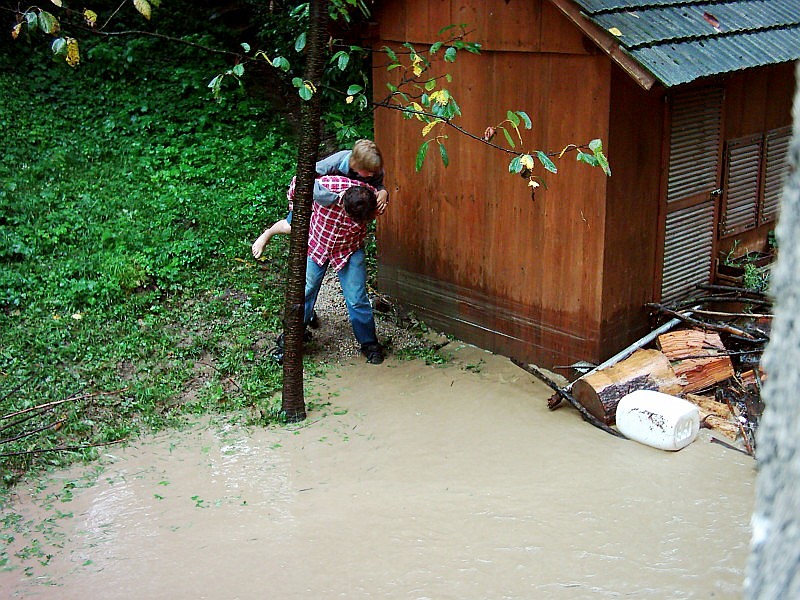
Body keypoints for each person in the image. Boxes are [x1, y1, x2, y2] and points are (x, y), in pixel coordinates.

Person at [274, 174, 385, 365]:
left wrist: (385, 193)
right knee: (305, 292)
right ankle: (291, 340)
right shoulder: (327, 186)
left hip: (349, 250)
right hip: (317, 244)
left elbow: (382, 189)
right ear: (343, 205)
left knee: (357, 299)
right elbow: (298, 180)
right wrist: (293, 206)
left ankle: (369, 344)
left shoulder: (372, 197)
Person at [251, 139, 389, 260]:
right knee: (292, 226)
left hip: (345, 208)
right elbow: (306, 179)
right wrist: (335, 198)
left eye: (374, 171)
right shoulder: (335, 163)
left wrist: (383, 192)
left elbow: (377, 184)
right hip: (320, 200)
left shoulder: (373, 170)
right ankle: (268, 233)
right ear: (356, 164)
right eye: (369, 172)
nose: (371, 174)